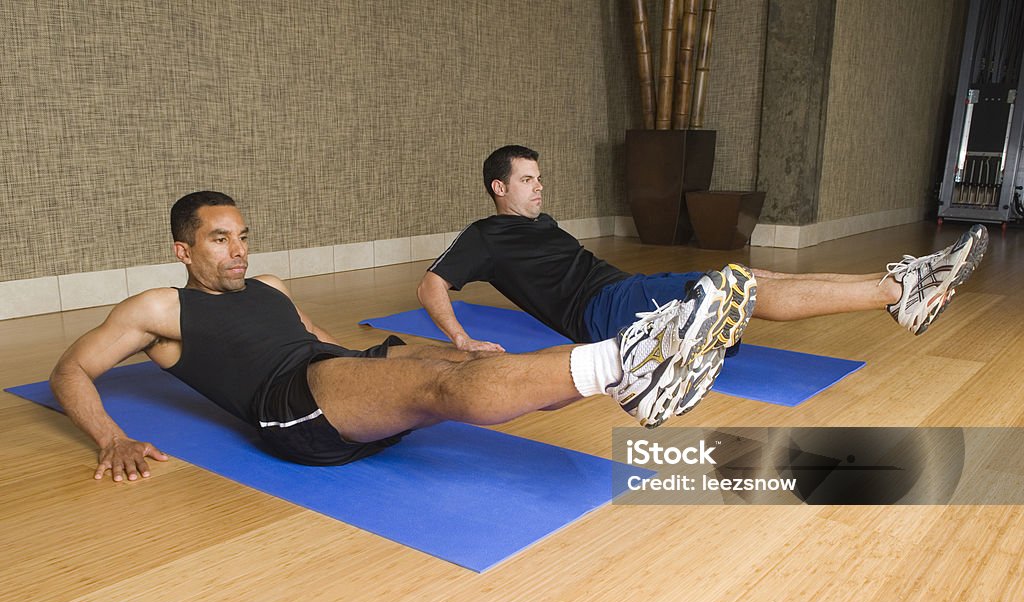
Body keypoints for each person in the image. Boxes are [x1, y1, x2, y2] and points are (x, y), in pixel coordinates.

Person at [49, 191, 753, 483]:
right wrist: (110, 436)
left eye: (243, 237)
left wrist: (406, 353)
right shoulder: (158, 308)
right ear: (182, 250)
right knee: (444, 385)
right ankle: (633, 354)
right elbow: (70, 370)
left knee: (476, 363)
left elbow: (319, 338)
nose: (237, 251)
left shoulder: (271, 285)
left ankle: (633, 377)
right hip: (292, 409)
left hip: (331, 373)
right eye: (219, 239)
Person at [418, 145, 989, 406]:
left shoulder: (543, 224)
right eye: (526, 180)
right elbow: (431, 284)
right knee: (748, 289)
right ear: (499, 187)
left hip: (620, 290)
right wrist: (463, 340)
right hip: (606, 308)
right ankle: (897, 290)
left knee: (748, 274)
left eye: (539, 178)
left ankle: (898, 284)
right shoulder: (484, 236)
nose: (538, 187)